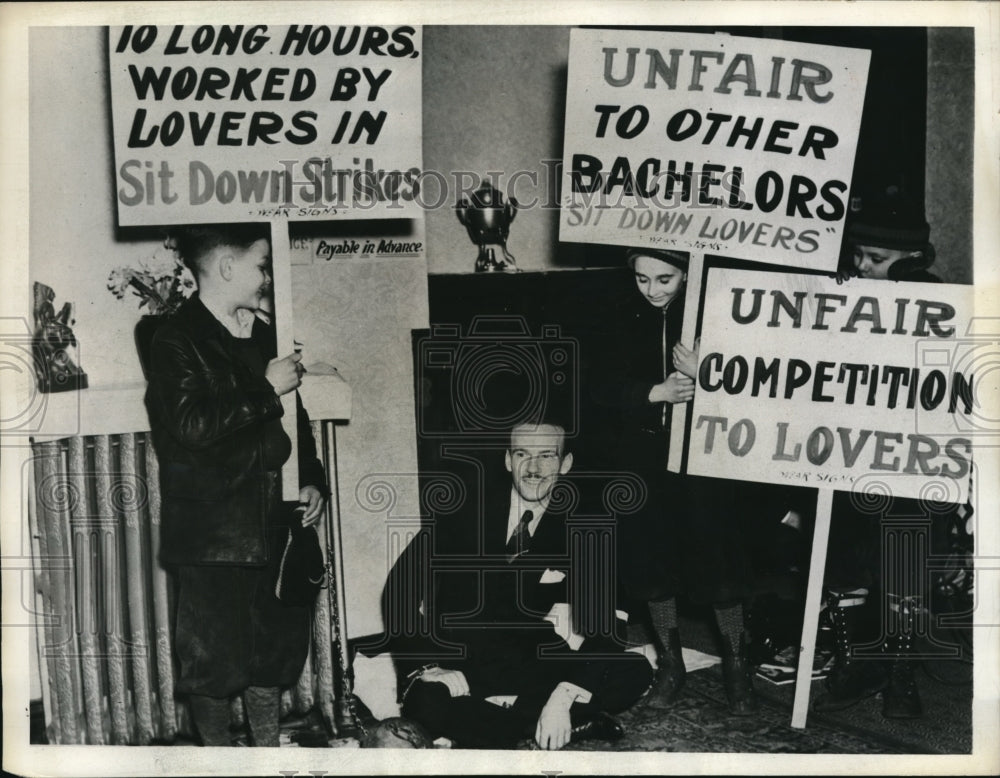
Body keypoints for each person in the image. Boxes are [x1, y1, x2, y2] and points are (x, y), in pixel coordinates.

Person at [145, 223, 327, 746]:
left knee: (270, 653)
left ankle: (266, 756)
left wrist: (311, 482)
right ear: (227, 268)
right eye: (261, 264)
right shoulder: (175, 339)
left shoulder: (264, 332)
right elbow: (194, 427)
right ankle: (221, 762)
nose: (268, 276)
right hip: (214, 534)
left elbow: (298, 419)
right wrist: (265, 386)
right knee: (214, 659)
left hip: (274, 523)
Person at [399, 420, 653, 750]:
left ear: (566, 464)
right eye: (522, 454)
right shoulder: (462, 509)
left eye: (547, 456)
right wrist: (427, 668)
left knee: (634, 671)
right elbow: (399, 589)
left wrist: (563, 696)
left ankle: (499, 722)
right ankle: (552, 725)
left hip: (533, 660)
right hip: (463, 661)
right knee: (425, 702)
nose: (533, 468)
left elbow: (605, 628)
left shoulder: (585, 525)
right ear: (508, 460)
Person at [590, 247, 762, 716]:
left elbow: (766, 384)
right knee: (648, 562)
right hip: (642, 458)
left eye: (665, 278)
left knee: (719, 560)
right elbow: (595, 385)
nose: (653, 289)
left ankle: (736, 665)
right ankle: (670, 664)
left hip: (703, 456)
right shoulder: (618, 315)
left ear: (687, 271)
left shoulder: (723, 312)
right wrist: (653, 392)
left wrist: (708, 373)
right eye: (642, 279)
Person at [815, 187, 959, 719]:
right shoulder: (863, 295)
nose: (862, 266)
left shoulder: (934, 300)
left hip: (916, 466)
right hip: (863, 455)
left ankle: (901, 673)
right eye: (858, 256)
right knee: (860, 564)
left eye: (875, 260)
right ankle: (864, 660)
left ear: (913, 263)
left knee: (907, 569)